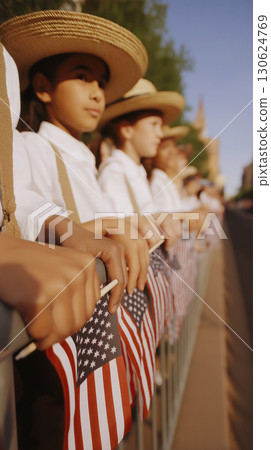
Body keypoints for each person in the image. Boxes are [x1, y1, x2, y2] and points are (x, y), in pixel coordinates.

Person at [0, 9, 155, 296]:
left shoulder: (86, 161)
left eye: (102, 83)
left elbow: (108, 218)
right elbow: (22, 218)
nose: (97, 93)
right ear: (43, 88)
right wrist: (91, 229)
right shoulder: (34, 147)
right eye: (82, 76)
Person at [98, 78, 185, 248]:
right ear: (127, 130)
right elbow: (120, 234)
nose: (160, 134)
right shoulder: (114, 173)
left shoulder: (136, 172)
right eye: (154, 125)